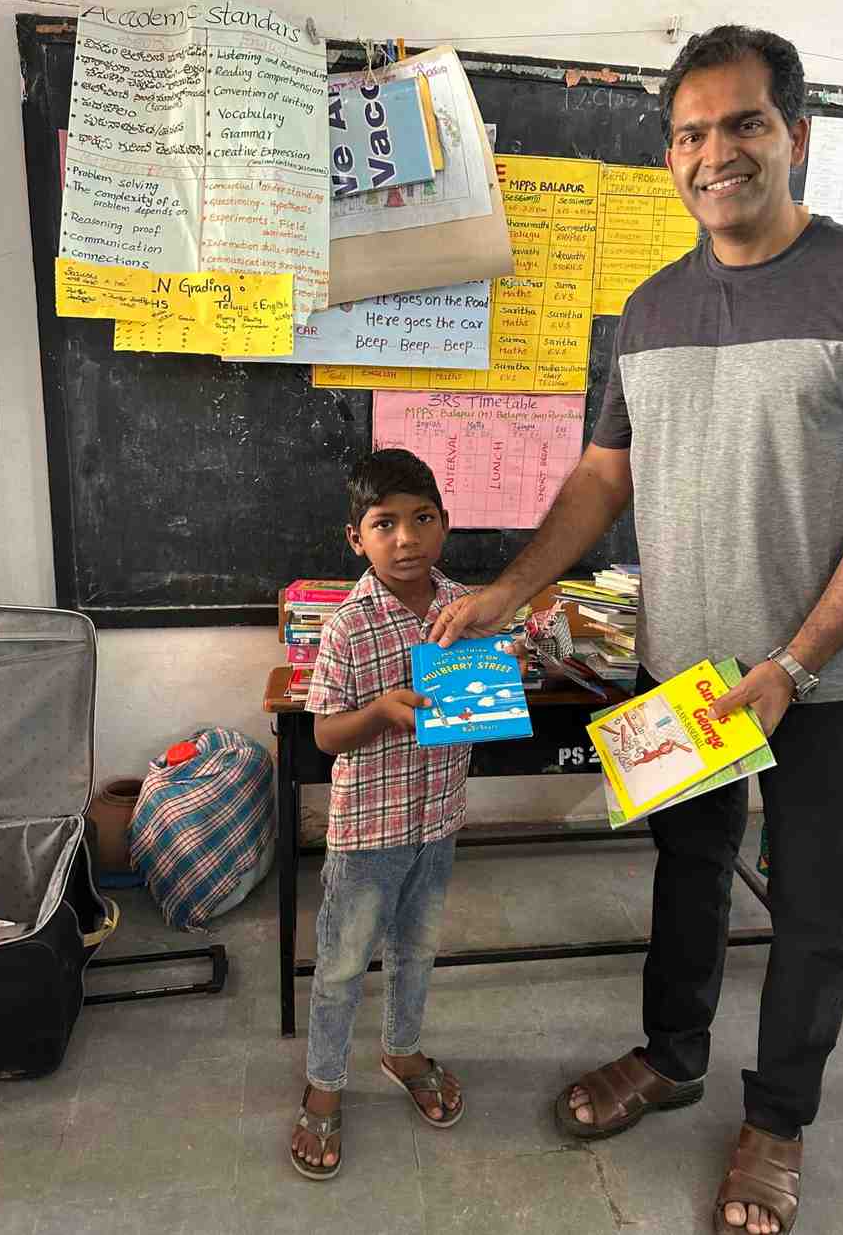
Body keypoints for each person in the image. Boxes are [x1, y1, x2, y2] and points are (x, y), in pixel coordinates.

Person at [430, 25, 843, 1233]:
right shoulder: (651, 307)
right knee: (686, 875)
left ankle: (777, 1119)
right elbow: (602, 476)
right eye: (687, 133)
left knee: (814, 909)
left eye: (742, 124)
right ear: (668, 154)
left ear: (795, 136)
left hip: (824, 681)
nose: (712, 153)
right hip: (681, 667)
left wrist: (792, 663)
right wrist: (511, 589)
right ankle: (672, 1056)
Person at [290, 448, 471, 1180]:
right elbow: (325, 734)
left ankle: (401, 1050)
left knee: (417, 951)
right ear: (356, 538)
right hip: (369, 830)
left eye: (422, 519)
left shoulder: (464, 609)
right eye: (384, 524)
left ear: (445, 524)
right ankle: (324, 1083)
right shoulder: (347, 626)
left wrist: (499, 682)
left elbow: (479, 694)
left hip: (439, 820)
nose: (406, 539)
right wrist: (380, 713)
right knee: (341, 965)